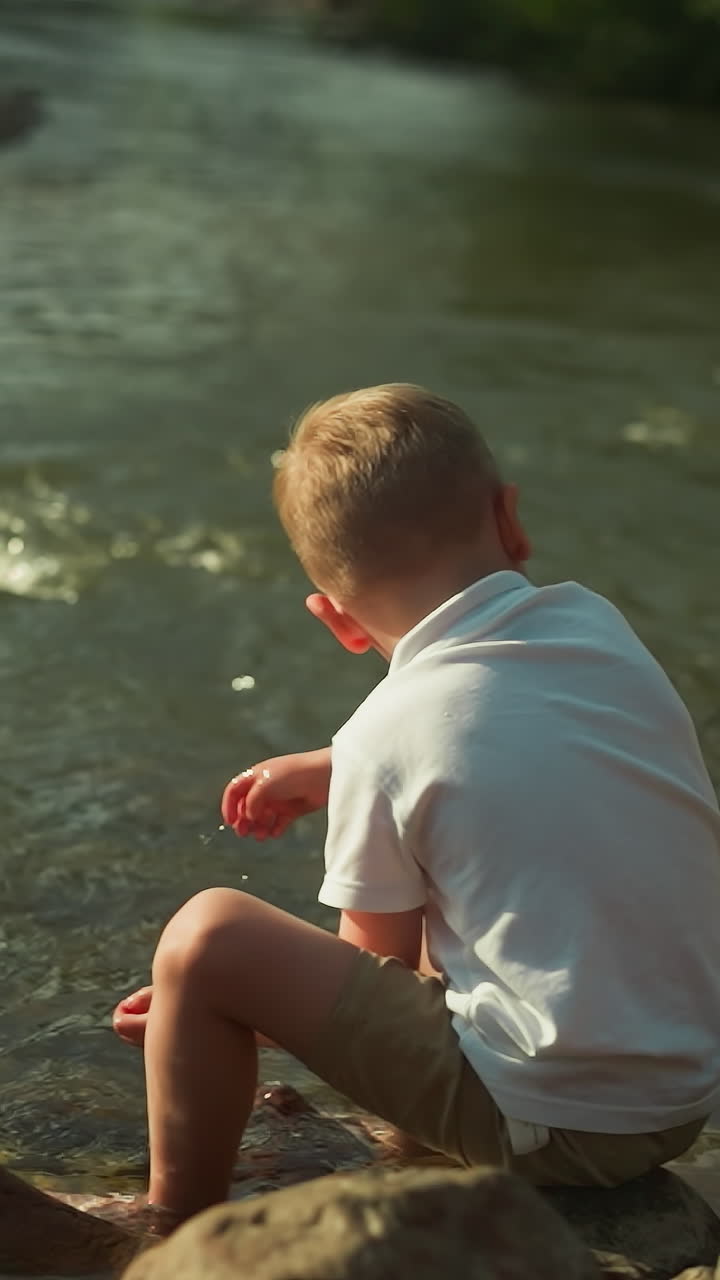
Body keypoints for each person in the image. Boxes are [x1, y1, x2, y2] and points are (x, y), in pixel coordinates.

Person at [113, 383, 720, 1232]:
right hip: (682, 1095)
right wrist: (337, 768)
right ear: (510, 519)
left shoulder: (384, 739)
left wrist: (229, 1006)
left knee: (208, 937)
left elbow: (377, 973)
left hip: (557, 1129)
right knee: (473, 865)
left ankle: (173, 1226)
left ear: (338, 622)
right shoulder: (601, 629)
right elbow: (504, 737)